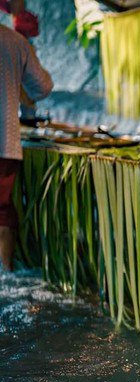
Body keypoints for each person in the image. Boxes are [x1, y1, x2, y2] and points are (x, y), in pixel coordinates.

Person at [0, 18, 53, 271]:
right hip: (4, 142)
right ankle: (6, 273)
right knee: (2, 213)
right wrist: (17, 82)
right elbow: (42, 88)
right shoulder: (15, 42)